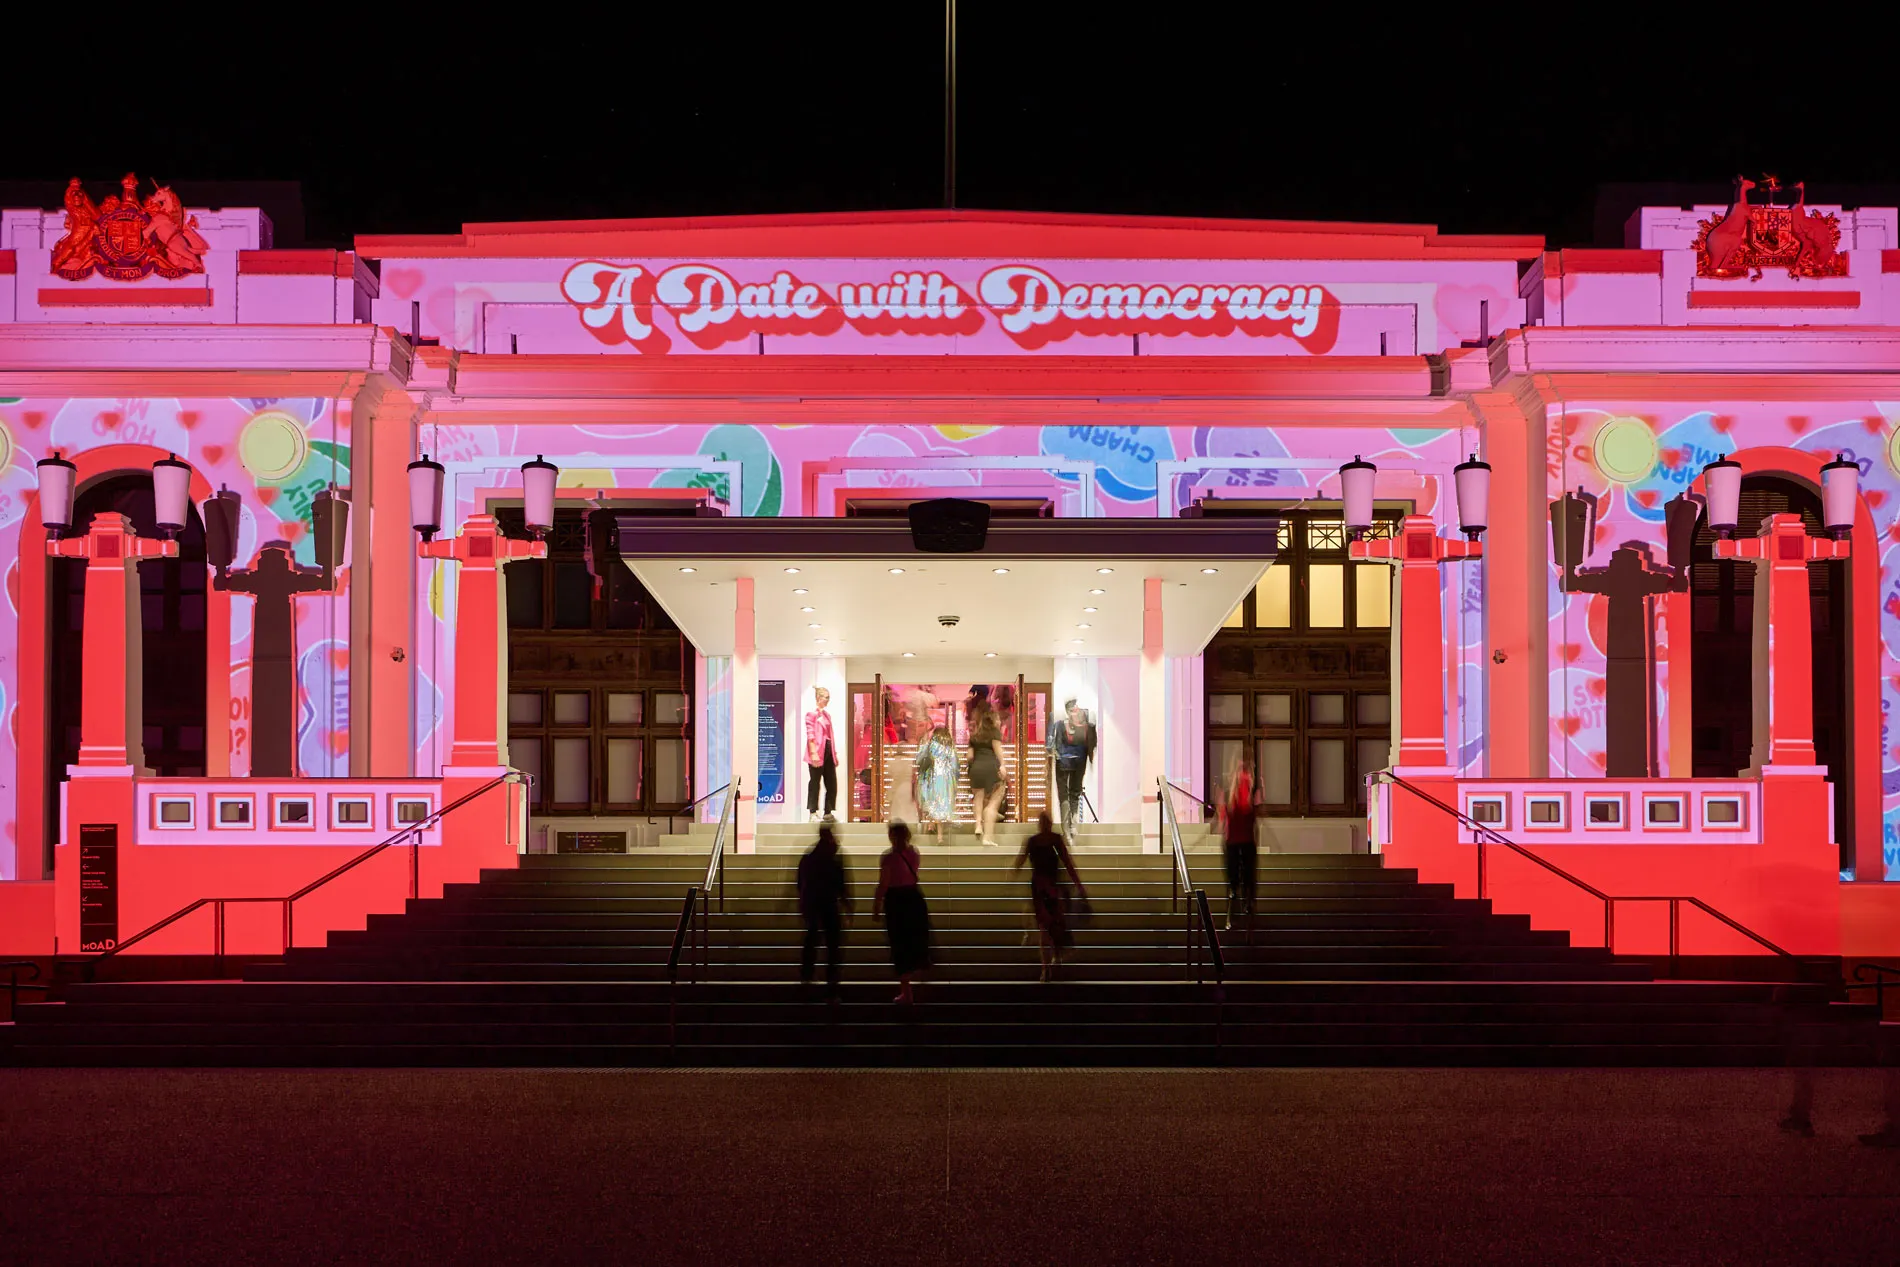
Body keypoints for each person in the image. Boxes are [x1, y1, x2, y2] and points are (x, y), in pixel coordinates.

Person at [1014, 810, 1087, 983]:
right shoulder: (1054, 840)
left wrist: (1012, 874)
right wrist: (1078, 884)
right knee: (1052, 925)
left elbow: (1020, 861)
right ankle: (1052, 961)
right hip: (1050, 889)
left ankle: (1047, 967)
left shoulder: (1034, 841)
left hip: (1042, 889)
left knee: (1045, 928)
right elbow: (1068, 863)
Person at [874, 821, 931, 1004]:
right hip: (913, 898)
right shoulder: (914, 853)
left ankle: (906, 992)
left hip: (896, 902)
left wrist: (876, 904)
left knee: (900, 945)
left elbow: (884, 883)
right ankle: (917, 983)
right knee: (915, 942)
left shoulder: (888, 858)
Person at [796, 826, 852, 997]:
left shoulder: (810, 856)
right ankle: (831, 979)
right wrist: (848, 905)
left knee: (812, 939)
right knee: (833, 943)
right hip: (828, 903)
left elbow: (800, 882)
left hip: (813, 903)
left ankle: (807, 976)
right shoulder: (834, 856)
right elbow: (842, 884)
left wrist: (802, 902)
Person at [1221, 753, 1259, 930]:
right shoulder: (1233, 792)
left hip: (1240, 841)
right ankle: (1241, 903)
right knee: (1240, 878)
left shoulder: (1247, 790)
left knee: (1241, 878)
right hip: (1237, 841)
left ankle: (1241, 903)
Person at [1049, 699, 1097, 828]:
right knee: (1074, 793)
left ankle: (1069, 826)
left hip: (1065, 762)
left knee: (1065, 794)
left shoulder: (1062, 724)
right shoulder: (1087, 726)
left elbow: (1057, 744)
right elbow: (1091, 744)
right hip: (1078, 762)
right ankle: (1072, 825)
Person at [968, 700, 1007, 847]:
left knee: (978, 797)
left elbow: (969, 757)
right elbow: (998, 751)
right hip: (991, 769)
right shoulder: (994, 733)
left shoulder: (974, 736)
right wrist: (1003, 765)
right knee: (993, 803)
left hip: (976, 770)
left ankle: (978, 824)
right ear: (993, 720)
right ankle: (988, 837)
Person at [915, 723, 958, 843]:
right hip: (944, 779)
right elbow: (954, 765)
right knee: (940, 804)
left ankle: (930, 824)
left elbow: (918, 759)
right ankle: (939, 836)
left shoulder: (929, 745)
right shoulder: (949, 748)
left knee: (931, 802)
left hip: (929, 778)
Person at [805, 686, 838, 823]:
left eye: (829, 697)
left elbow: (830, 735)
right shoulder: (811, 714)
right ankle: (813, 812)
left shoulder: (827, 715)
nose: (828, 700)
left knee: (832, 783)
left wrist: (834, 754)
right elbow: (810, 734)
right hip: (817, 752)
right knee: (815, 783)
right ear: (819, 698)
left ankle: (828, 812)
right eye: (826, 697)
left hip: (828, 750)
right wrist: (813, 752)